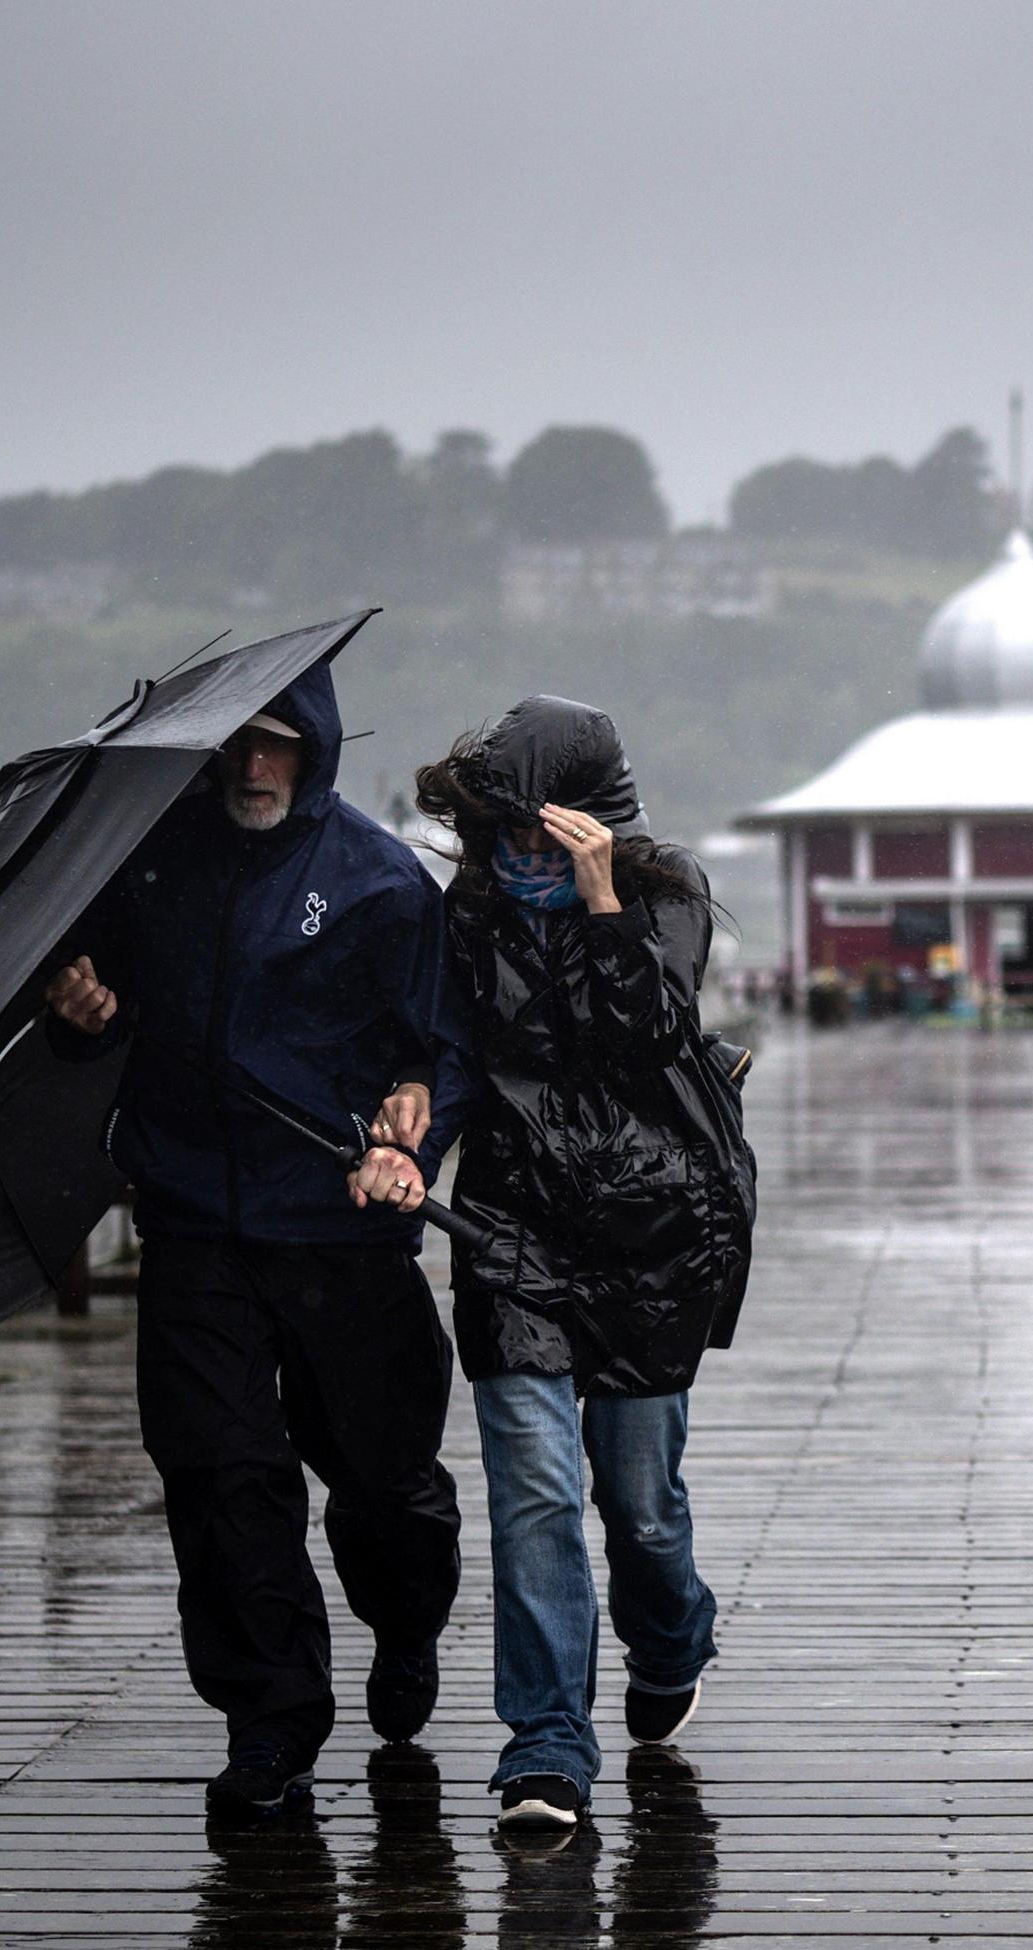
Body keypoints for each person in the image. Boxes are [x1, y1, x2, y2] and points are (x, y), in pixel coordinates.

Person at [40, 662, 473, 1820]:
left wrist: (409, 1141)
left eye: (277, 744)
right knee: (219, 1478)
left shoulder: (381, 883)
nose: (252, 767)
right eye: (235, 745)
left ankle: (407, 1620)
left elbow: (438, 1055)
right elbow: (103, 1020)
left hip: (340, 1231)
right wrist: (81, 1017)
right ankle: (270, 1725)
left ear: (317, 746)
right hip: (192, 1224)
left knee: (384, 1484)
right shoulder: (145, 868)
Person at [401, 698, 755, 1838]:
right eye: (503, 834)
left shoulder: (667, 891)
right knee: (537, 1492)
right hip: (515, 1235)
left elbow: (651, 1040)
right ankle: (545, 1747)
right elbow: (454, 1057)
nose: (520, 857)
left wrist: (603, 903)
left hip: (654, 1234)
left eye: (543, 835)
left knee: (640, 1508)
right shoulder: (469, 912)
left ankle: (672, 1637)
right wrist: (407, 1144)